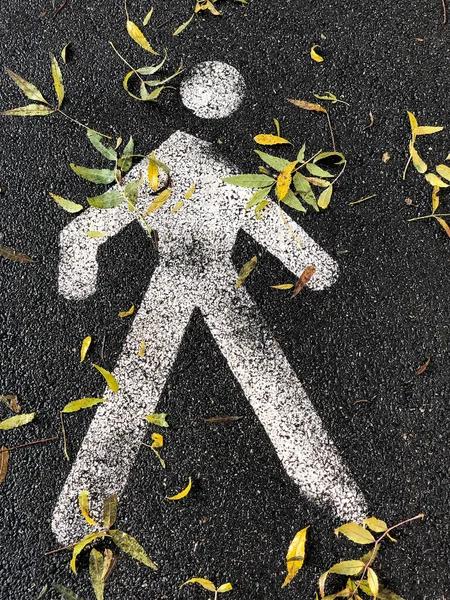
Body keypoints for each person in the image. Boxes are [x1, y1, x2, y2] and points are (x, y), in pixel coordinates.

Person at [52, 62, 367, 545]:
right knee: (267, 377)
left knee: (138, 384)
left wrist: (79, 277)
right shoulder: (224, 170)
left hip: (179, 280)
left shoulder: (159, 167)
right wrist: (315, 267)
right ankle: (331, 489)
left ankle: (85, 502)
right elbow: (269, 221)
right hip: (208, 281)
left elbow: (86, 228)